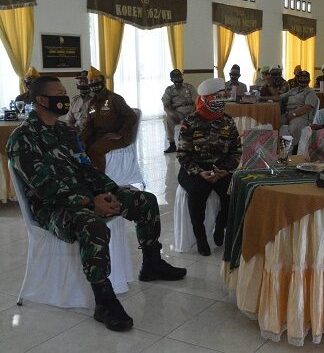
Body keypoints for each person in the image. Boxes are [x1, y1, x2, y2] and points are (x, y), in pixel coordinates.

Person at [6, 75, 187, 332]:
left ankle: (152, 262)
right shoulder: (22, 139)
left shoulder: (66, 132)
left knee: (143, 200)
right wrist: (91, 204)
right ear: (41, 100)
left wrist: (109, 192)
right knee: (92, 225)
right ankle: (104, 300)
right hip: (53, 209)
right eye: (58, 93)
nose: (64, 98)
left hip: (87, 196)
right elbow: (45, 189)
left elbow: (87, 168)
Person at [177, 78, 241, 255]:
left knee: (234, 190)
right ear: (205, 99)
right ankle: (200, 238)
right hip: (194, 169)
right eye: (216, 97)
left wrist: (225, 171)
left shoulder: (228, 121)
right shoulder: (190, 121)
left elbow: (236, 151)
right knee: (197, 193)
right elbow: (183, 154)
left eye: (223, 97)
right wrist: (199, 172)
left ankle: (221, 225)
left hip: (221, 168)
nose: (221, 101)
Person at [80, 67, 137, 173]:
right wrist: (80, 139)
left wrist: (119, 134)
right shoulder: (92, 103)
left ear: (103, 81)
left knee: (95, 150)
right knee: (81, 148)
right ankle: (89, 177)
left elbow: (131, 117)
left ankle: (101, 180)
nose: (94, 84)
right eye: (91, 81)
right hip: (100, 136)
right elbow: (89, 125)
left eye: (97, 80)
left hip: (118, 137)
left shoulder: (114, 99)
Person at [262, 71, 319, 146]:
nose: (303, 80)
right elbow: (279, 97)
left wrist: (293, 114)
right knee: (273, 124)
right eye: (301, 78)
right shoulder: (293, 90)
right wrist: (261, 98)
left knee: (293, 129)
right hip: (288, 114)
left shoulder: (310, 92)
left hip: (301, 116)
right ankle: (275, 148)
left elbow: (307, 107)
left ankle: (293, 151)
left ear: (309, 80)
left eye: (305, 78)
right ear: (297, 79)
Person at [161, 69, 197, 153]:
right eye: (176, 80)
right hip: (177, 112)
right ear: (172, 80)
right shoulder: (169, 90)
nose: (178, 82)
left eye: (180, 79)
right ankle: (172, 144)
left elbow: (196, 101)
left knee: (197, 118)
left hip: (191, 109)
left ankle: (196, 143)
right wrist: (171, 114)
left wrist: (194, 112)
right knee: (167, 120)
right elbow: (165, 105)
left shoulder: (189, 87)